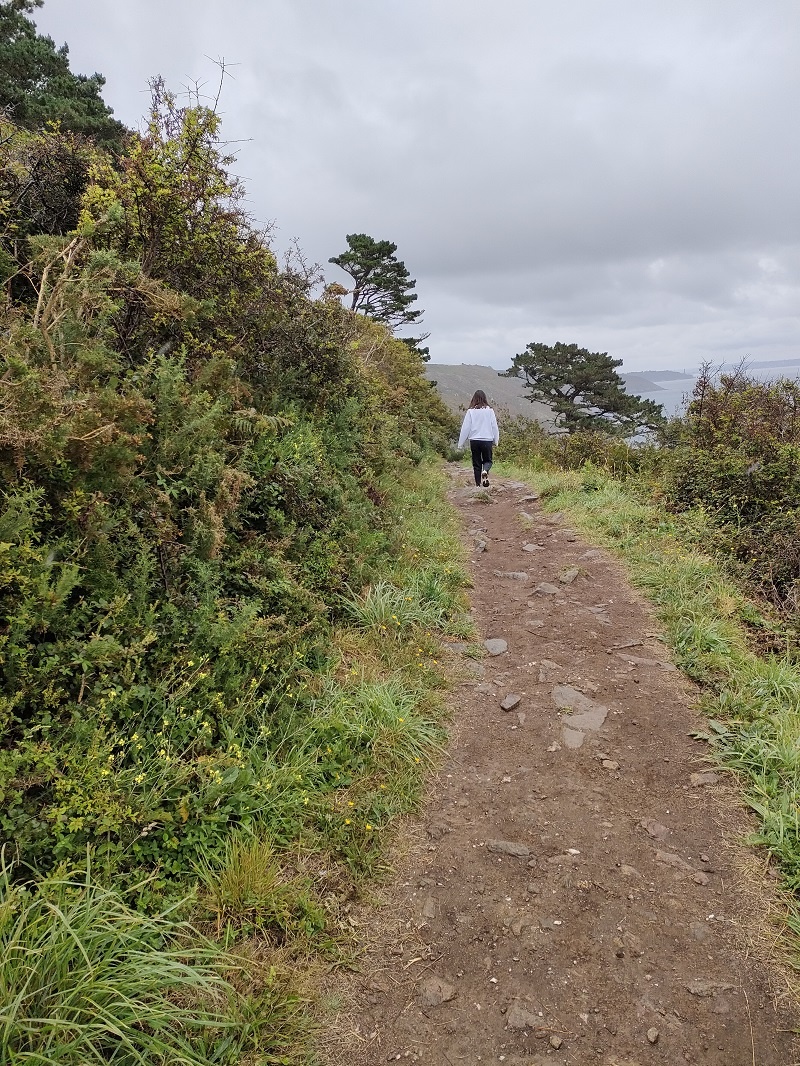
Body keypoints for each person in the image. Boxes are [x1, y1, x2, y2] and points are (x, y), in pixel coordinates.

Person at [458, 390, 500, 487]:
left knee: (476, 463)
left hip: (474, 440)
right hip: (487, 439)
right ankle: (485, 470)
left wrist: (460, 443)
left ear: (474, 399)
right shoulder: (490, 411)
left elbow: (465, 428)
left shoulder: (470, 411)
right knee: (488, 460)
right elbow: (494, 426)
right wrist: (496, 440)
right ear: (484, 398)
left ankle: (478, 485)